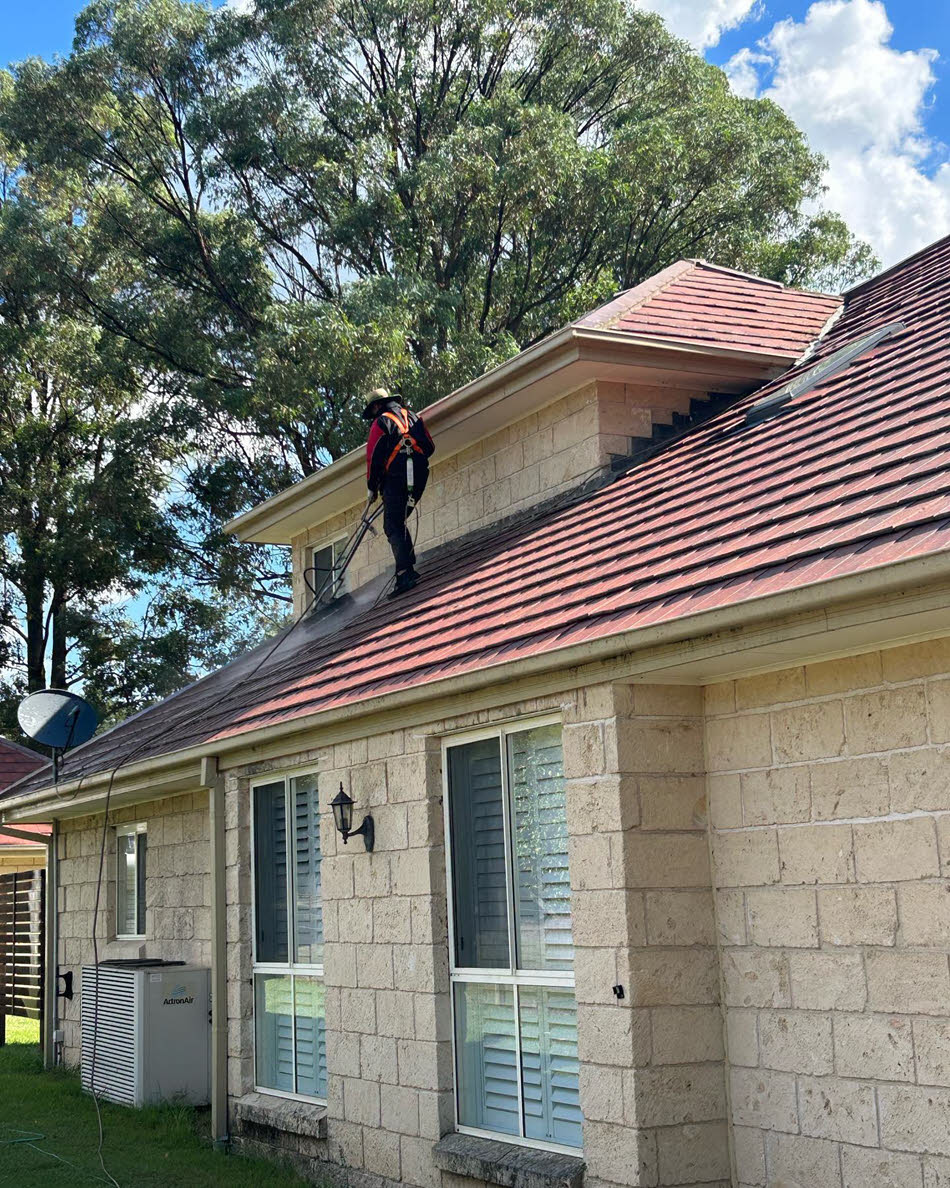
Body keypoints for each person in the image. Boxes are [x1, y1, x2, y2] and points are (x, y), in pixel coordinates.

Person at [363, 388, 435, 595]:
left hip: (397, 478)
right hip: (419, 476)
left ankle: (405, 574)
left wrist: (372, 487)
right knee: (398, 519)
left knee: (392, 524)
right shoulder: (412, 417)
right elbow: (429, 447)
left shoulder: (380, 422)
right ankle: (407, 567)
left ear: (376, 406)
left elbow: (373, 458)